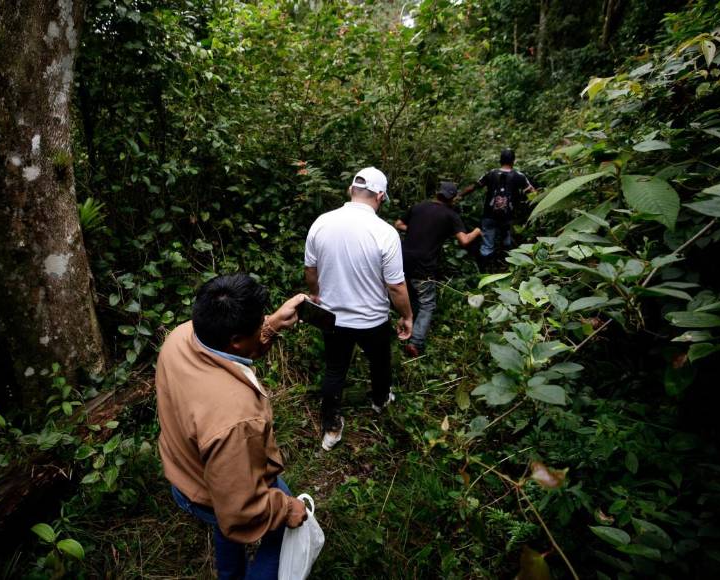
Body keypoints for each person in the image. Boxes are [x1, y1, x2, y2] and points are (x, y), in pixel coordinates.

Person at [156, 274, 309, 580]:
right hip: (211, 496)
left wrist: (271, 325)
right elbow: (239, 510)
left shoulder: (181, 337)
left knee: (224, 525)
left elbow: (235, 349)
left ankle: (230, 575)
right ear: (237, 340)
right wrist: (289, 510)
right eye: (257, 326)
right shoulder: (236, 418)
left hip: (186, 471)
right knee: (283, 535)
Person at [304, 167, 413, 451]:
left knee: (334, 370)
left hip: (333, 317)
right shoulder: (384, 232)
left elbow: (310, 269)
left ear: (351, 190)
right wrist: (407, 316)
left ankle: (330, 429)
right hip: (372, 320)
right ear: (379, 195)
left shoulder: (321, 223)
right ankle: (379, 401)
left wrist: (316, 294)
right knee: (380, 362)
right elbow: (396, 287)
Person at [394, 181, 482, 357]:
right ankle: (416, 343)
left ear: (437, 193)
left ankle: (403, 330)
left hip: (402, 261)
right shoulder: (450, 215)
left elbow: (398, 224)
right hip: (424, 265)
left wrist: (419, 230)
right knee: (427, 303)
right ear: (453, 198)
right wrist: (477, 231)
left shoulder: (419, 207)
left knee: (413, 299)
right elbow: (464, 240)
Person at [461, 148, 535, 268]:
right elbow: (532, 193)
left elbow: (474, 187)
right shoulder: (519, 176)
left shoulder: (491, 173)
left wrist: (459, 195)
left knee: (487, 244)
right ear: (513, 161)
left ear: (500, 160)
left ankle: (485, 272)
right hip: (508, 216)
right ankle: (507, 268)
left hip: (489, 215)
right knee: (507, 242)